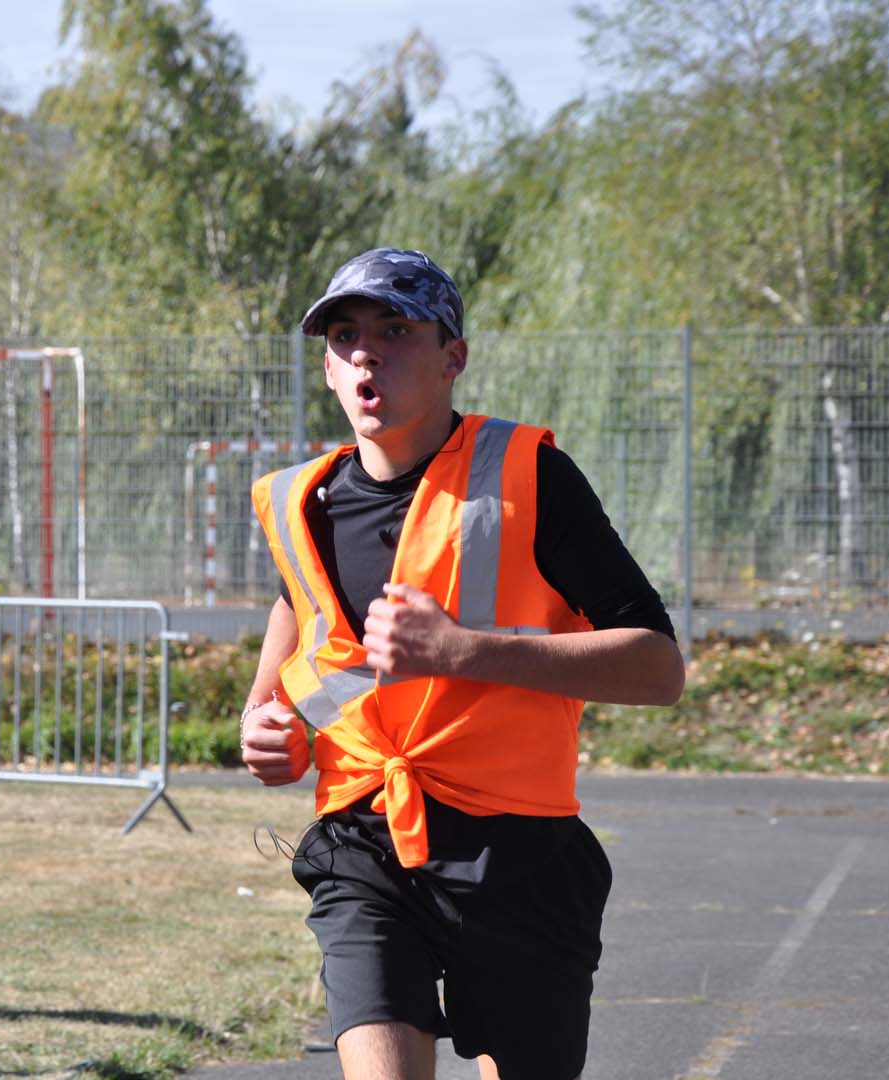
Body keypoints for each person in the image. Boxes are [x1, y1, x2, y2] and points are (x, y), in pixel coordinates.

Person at [239, 249, 686, 1080]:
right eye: (345, 336)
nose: (366, 352)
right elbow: (296, 607)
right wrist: (263, 714)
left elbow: (658, 669)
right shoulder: (301, 501)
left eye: (396, 330)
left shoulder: (527, 476)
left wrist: (464, 652)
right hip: (363, 841)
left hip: (516, 852)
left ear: (455, 357)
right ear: (331, 371)